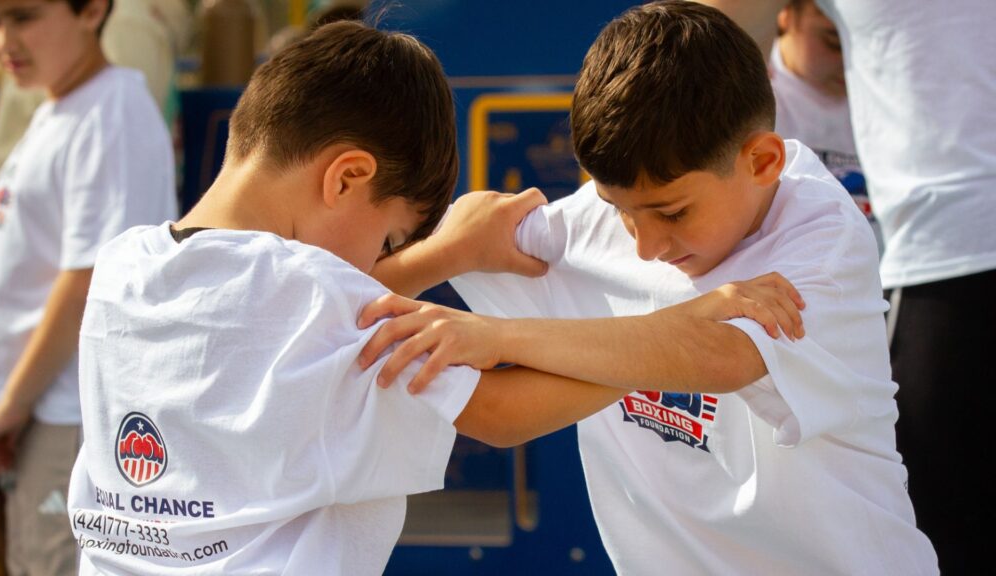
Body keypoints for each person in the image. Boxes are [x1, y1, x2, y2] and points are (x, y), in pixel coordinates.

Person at [64, 20, 805, 575]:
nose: (377, 264)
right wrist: (672, 325)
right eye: (387, 238)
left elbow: (270, 313)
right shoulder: (314, 291)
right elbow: (501, 414)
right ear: (347, 177)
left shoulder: (125, 268)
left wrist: (444, 254)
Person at [362, 3, 937, 573]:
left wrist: (499, 337)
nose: (644, 246)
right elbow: (339, 292)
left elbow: (723, 357)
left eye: (673, 213)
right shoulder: (594, 223)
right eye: (620, 210)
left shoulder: (820, 237)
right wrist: (444, 254)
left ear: (762, 161)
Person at [693, 2, 996, 572]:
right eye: (828, 41)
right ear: (790, 18)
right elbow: (691, 44)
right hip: (918, 277)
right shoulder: (775, 103)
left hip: (932, 273)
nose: (838, 61)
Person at [0, 0, 178, 572]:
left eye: (23, 17)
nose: (3, 40)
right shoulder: (60, 109)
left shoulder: (111, 110)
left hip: (73, 420)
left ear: (92, 10)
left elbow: (90, 280)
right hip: (41, 416)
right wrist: (2, 401)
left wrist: (7, 406)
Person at [769, 0, 880, 250]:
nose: (852, 60)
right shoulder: (751, 94)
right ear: (784, 14)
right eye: (834, 42)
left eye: (866, 44)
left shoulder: (884, 93)